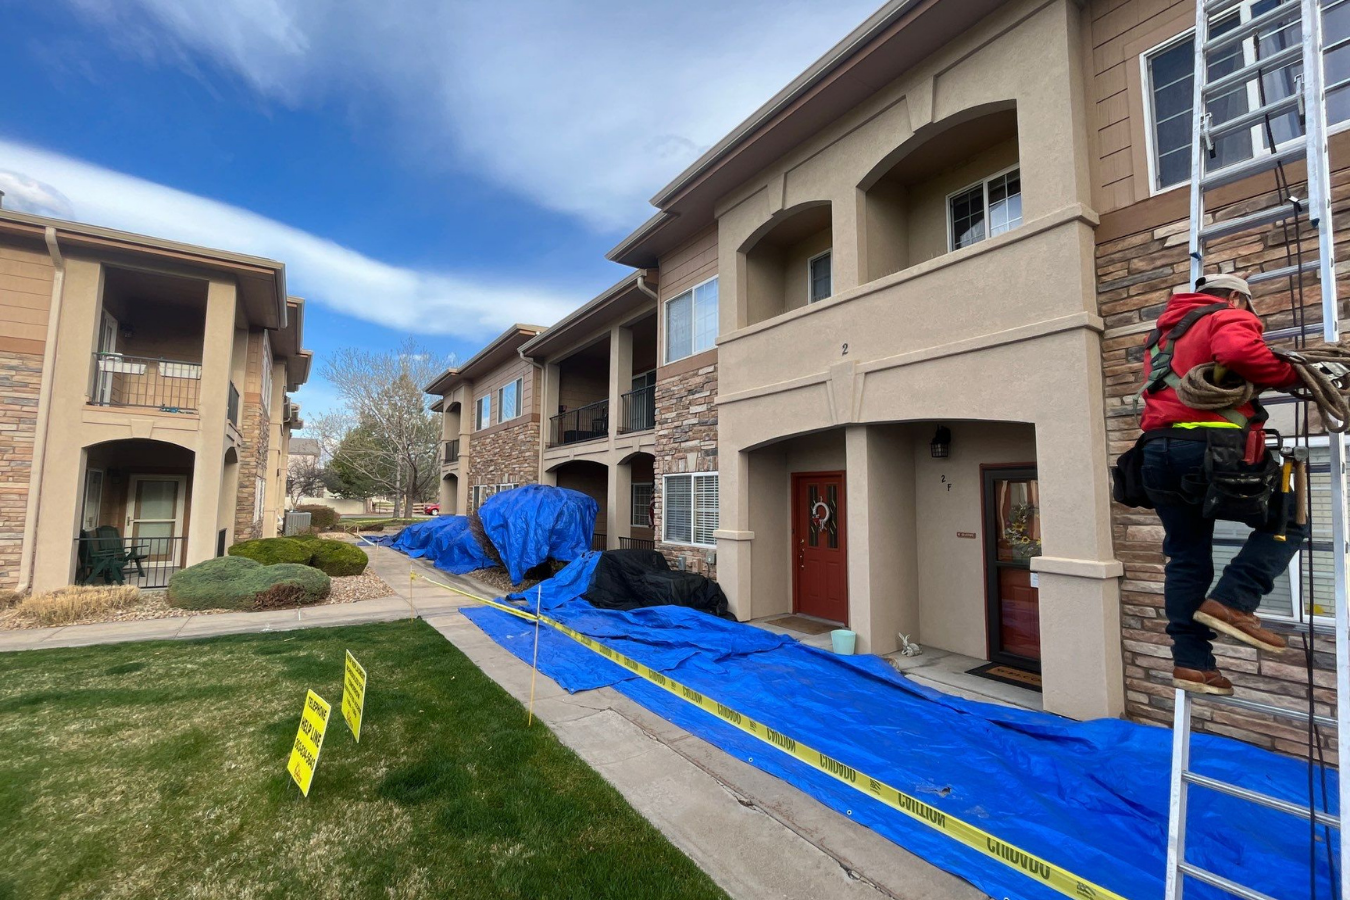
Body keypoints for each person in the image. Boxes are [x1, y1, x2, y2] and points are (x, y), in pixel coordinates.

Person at [1138, 273, 1304, 696]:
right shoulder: (1227, 315)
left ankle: (1192, 663)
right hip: (1213, 448)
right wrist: (1291, 375)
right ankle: (1234, 600)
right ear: (1235, 298)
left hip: (1157, 452)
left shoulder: (1164, 336)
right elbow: (1236, 350)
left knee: (1186, 556)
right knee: (1290, 521)